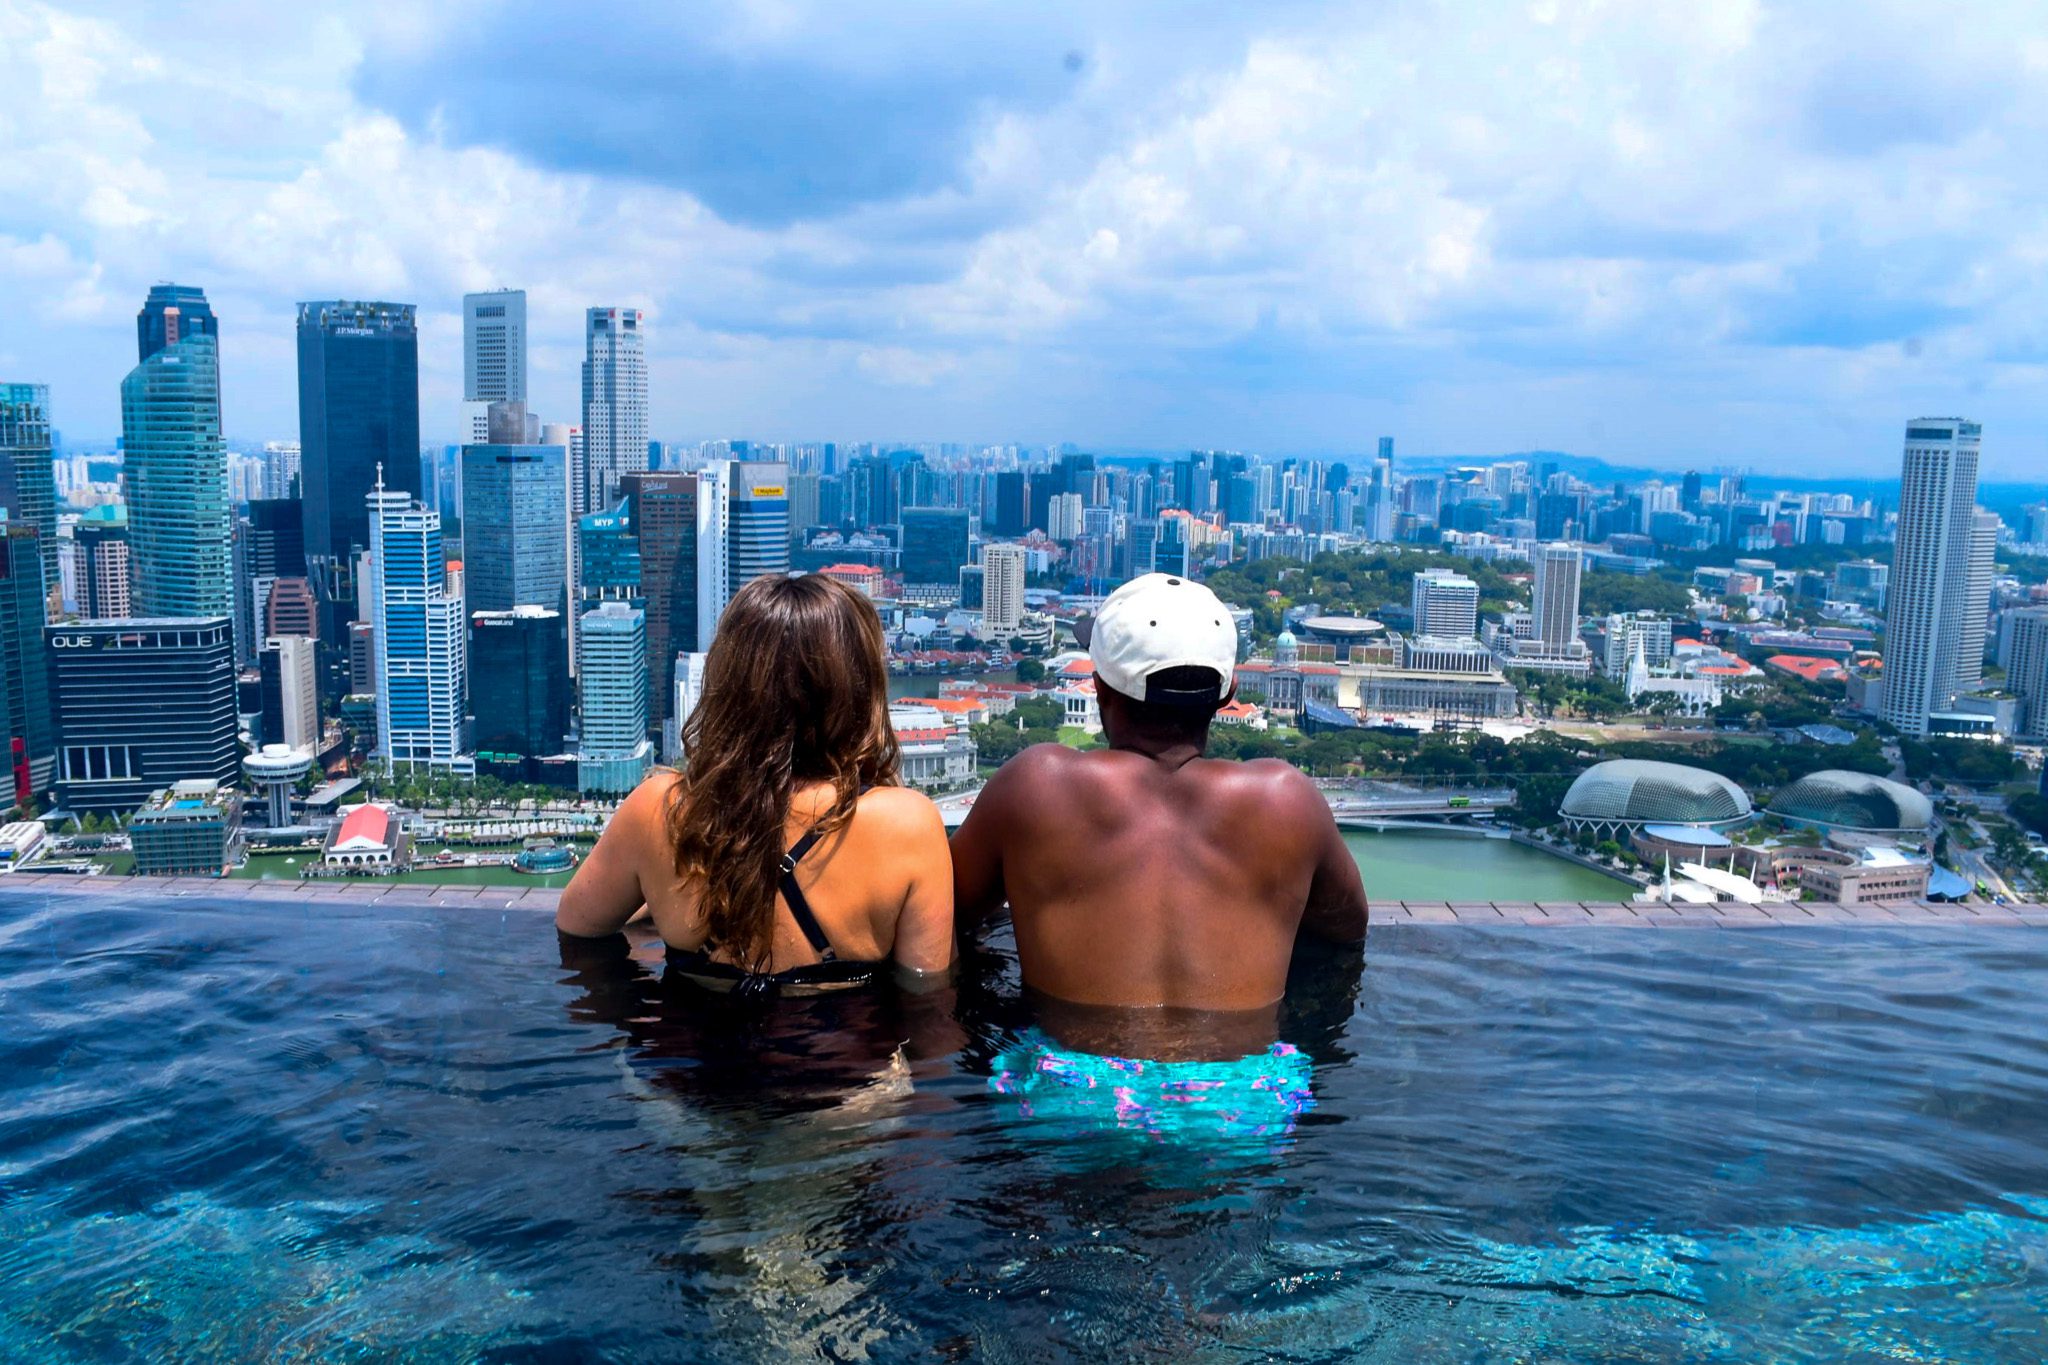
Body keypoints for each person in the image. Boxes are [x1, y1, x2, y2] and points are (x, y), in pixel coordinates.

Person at [951, 572, 1367, 1138]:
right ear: (1226, 693)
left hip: (1072, 1095)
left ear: (1100, 687)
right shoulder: (1286, 799)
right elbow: (1346, 928)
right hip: (1240, 1106)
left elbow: (946, 912)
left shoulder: (1036, 785)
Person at [556, 574, 955, 997]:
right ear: (859, 686)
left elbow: (576, 934)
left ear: (728, 681)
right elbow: (928, 1000)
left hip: (696, 1039)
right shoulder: (908, 824)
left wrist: (657, 903)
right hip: (844, 1039)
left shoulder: (659, 809)